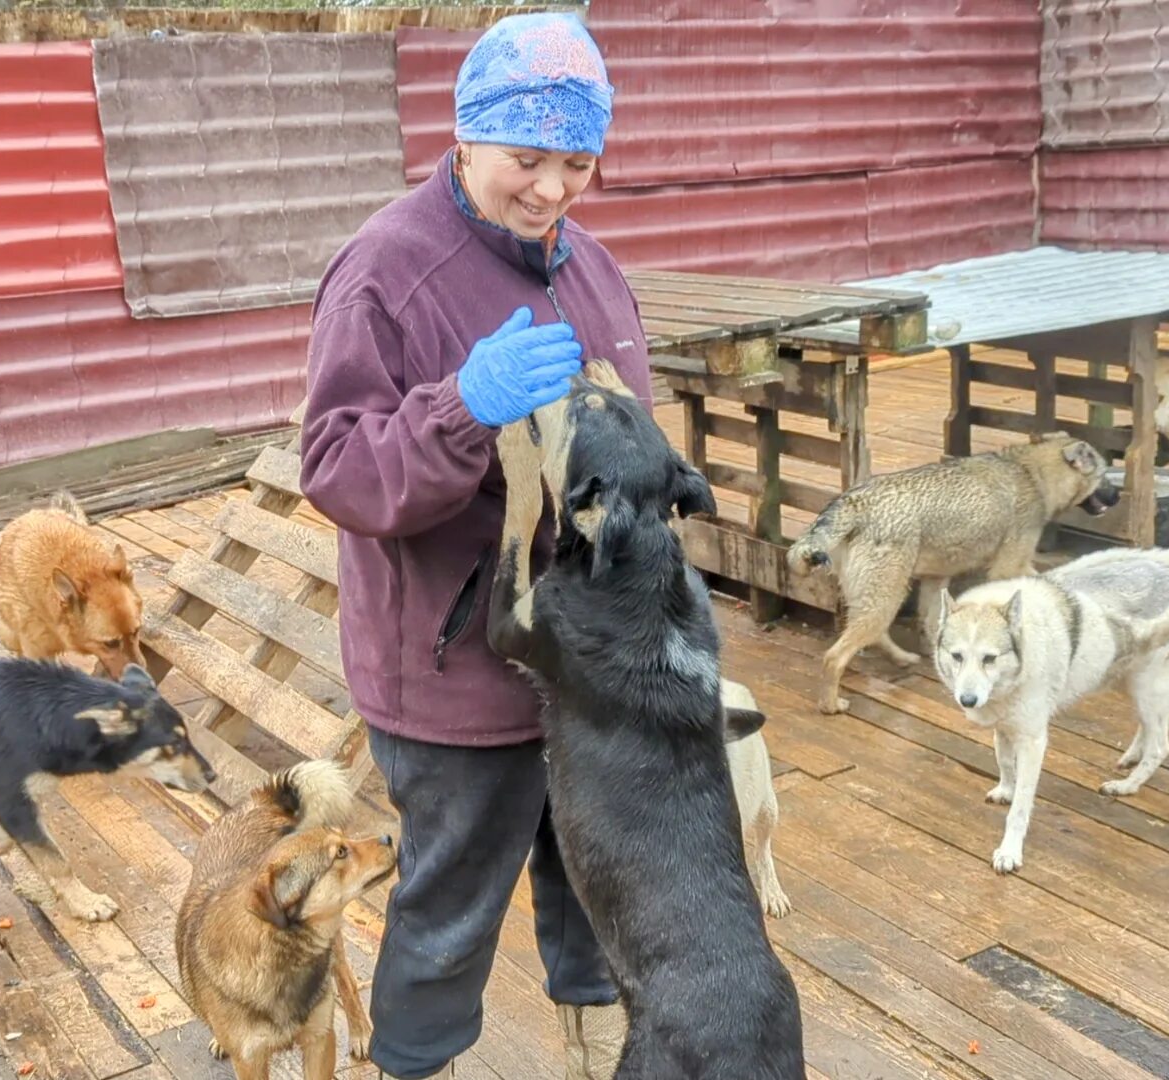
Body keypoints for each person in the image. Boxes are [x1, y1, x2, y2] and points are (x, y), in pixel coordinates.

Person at [297, 12, 651, 1080]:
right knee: (448, 913)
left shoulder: (590, 266)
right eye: (527, 159)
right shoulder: (385, 273)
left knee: (601, 892)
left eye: (578, 162)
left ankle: (601, 1055)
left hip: (591, 670)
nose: (551, 190)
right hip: (460, 673)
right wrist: (462, 410)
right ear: (464, 136)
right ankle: (414, 1064)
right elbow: (339, 470)